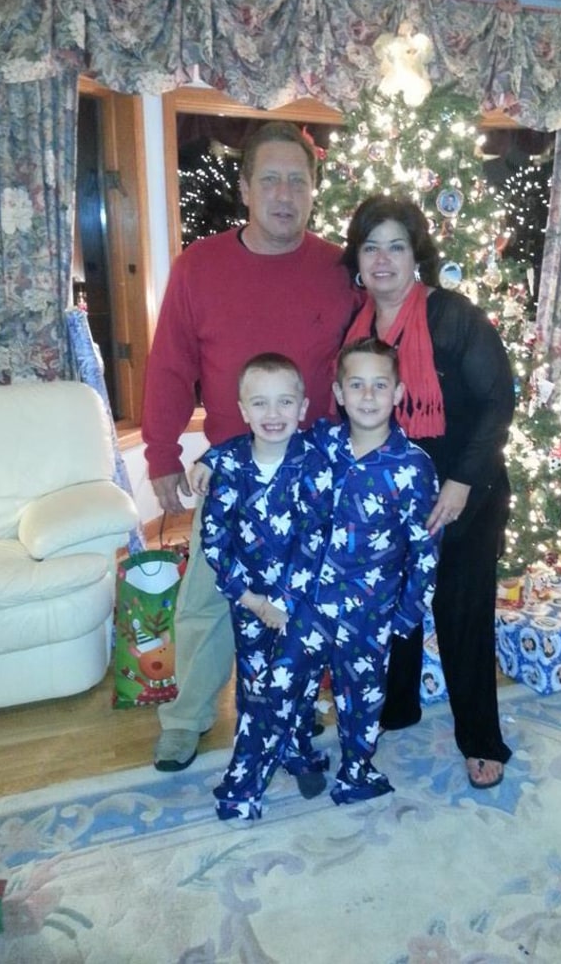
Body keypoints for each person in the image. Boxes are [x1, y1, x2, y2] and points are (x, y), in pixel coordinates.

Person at [141, 121, 359, 772]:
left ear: (314, 190)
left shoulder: (337, 270)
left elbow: (368, 360)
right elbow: (171, 366)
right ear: (244, 187)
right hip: (234, 477)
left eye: (298, 180)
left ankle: (299, 702)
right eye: (270, 178)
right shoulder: (199, 267)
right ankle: (185, 719)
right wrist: (159, 454)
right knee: (208, 602)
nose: (284, 193)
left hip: (312, 475)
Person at [213, 338, 441, 819]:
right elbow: (259, 442)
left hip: (370, 614)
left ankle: (357, 771)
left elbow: (425, 547)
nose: (368, 395)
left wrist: (407, 612)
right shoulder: (320, 442)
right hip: (309, 606)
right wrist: (208, 459)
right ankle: (242, 785)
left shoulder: (414, 467)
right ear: (338, 393)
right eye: (356, 385)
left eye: (380, 385)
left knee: (362, 701)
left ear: (398, 392)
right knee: (275, 690)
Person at [340, 195, 516, 790]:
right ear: (357, 258)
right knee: (396, 606)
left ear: (417, 255)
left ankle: (481, 740)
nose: (383, 259)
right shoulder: (358, 326)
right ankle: (397, 707)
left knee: (461, 613)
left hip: (464, 491)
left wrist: (461, 483)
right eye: (371, 246)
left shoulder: (452, 316)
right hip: (395, 496)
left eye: (397, 245)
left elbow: (499, 402)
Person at [195, 353, 335, 802]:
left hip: (301, 604)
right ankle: (248, 769)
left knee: (299, 682)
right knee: (256, 687)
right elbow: (214, 541)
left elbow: (317, 540)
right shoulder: (230, 465)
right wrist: (253, 600)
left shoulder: (315, 463)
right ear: (242, 410)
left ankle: (297, 750)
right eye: (260, 404)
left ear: (303, 406)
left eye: (284, 402)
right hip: (249, 603)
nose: (273, 415)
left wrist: (286, 602)